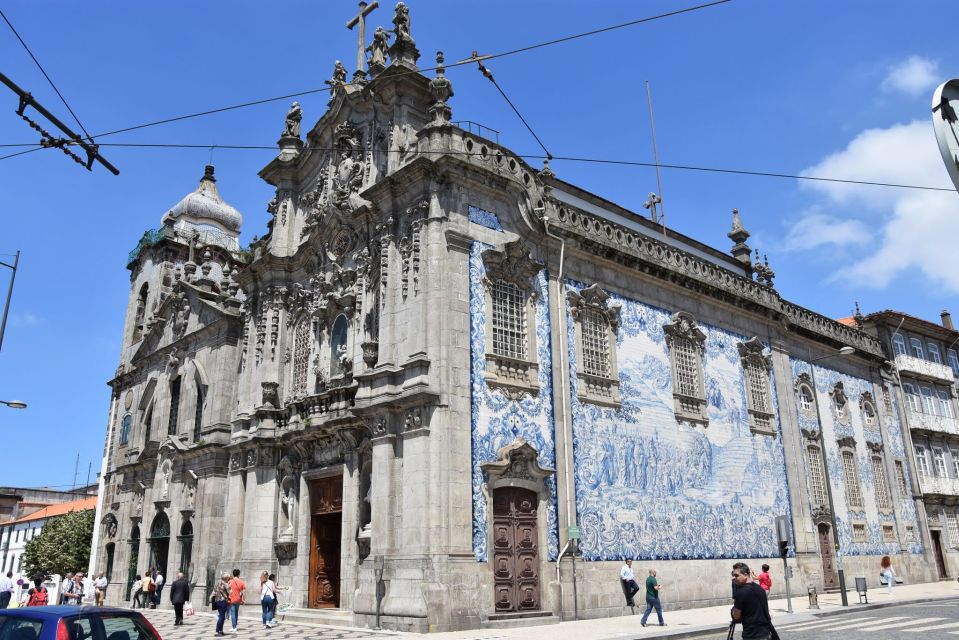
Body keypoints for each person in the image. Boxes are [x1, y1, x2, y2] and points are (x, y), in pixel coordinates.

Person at [731, 562, 775, 640]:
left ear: (745, 574)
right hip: (767, 633)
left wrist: (733, 609)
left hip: (752, 635)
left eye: (737, 575)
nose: (735, 578)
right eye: (734, 576)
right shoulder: (760, 589)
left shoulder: (741, 593)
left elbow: (736, 616)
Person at [227, 568, 246, 634]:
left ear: (233, 574)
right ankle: (235, 626)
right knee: (236, 612)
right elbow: (244, 591)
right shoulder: (241, 582)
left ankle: (234, 627)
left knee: (232, 613)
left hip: (232, 599)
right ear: (239, 574)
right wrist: (243, 599)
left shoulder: (230, 581)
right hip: (238, 599)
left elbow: (228, 590)